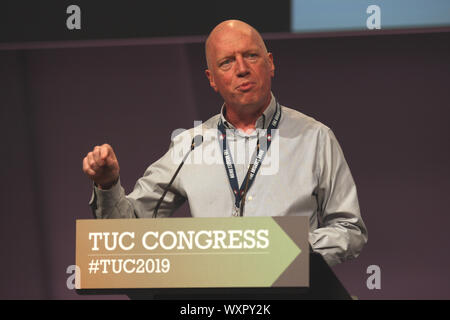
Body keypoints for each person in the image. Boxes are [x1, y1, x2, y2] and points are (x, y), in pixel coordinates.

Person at [82, 20, 367, 266]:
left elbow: (350, 230)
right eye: (227, 62)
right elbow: (126, 234)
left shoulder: (315, 137)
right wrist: (108, 185)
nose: (242, 69)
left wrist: (285, 249)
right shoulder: (190, 145)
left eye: (251, 56)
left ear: (270, 63)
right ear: (212, 79)